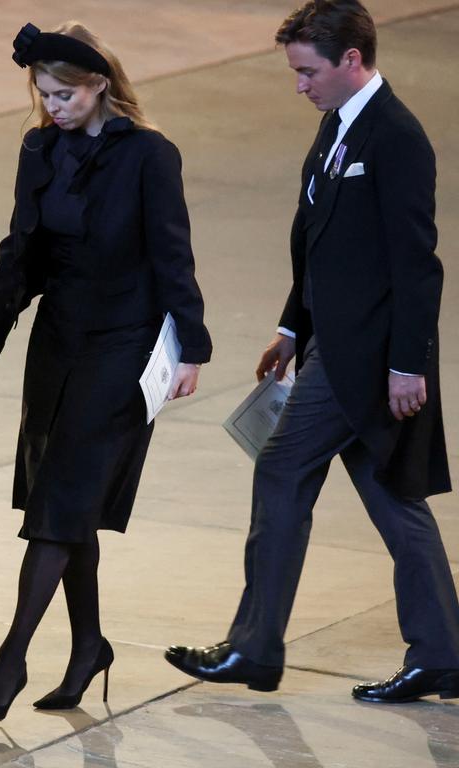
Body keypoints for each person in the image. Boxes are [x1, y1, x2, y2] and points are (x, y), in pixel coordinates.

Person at [165, 0, 459, 703]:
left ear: (351, 60)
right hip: (332, 341)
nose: (299, 85)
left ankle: (254, 647)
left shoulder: (395, 136)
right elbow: (317, 241)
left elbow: (418, 263)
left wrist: (407, 364)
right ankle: (443, 652)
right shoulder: (337, 126)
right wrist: (293, 327)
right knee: (393, 494)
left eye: (308, 71)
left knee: (281, 469)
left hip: (368, 358)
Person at [0, 21, 211, 720]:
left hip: (125, 347)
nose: (53, 105)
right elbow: (22, 251)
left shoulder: (150, 156)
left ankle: (10, 659)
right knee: (68, 506)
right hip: (58, 344)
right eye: (43, 93)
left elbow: (172, 255)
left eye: (65, 93)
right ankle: (89, 645)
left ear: (100, 84)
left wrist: (191, 346)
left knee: (59, 507)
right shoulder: (39, 148)